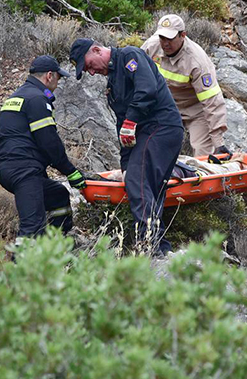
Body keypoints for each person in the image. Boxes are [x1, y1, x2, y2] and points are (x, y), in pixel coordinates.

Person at [69, 38, 184, 255]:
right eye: (86, 71)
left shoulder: (130, 56)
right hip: (148, 133)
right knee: (147, 186)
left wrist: (131, 120)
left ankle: (146, 245)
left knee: (138, 180)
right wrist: (124, 164)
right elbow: (123, 128)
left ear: (95, 50)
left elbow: (147, 89)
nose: (91, 72)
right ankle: (159, 245)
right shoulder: (113, 83)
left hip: (162, 127)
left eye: (89, 65)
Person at [0, 55, 87, 245]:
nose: (58, 83)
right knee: (32, 229)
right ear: (49, 76)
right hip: (24, 171)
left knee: (58, 195)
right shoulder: (37, 99)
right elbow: (49, 142)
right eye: (58, 79)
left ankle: (55, 248)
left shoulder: (17, 96)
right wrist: (71, 172)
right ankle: (18, 272)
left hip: (8, 167)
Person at [141, 14, 229, 157]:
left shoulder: (197, 61)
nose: (165, 43)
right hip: (164, 107)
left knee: (202, 151)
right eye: (162, 38)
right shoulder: (151, 46)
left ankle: (205, 176)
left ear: (183, 35)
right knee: (154, 146)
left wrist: (218, 143)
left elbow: (212, 101)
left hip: (195, 110)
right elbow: (135, 73)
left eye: (170, 38)